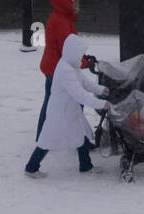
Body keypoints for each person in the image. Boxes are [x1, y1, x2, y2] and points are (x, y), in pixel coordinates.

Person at [25, 34, 108, 178]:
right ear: (72, 53)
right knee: (47, 140)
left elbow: (85, 83)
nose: (81, 57)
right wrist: (101, 104)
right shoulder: (65, 71)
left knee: (81, 135)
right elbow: (79, 94)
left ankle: (86, 166)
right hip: (60, 113)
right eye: (80, 54)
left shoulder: (71, 66)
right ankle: (31, 168)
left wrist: (101, 90)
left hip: (69, 111)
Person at [37, 0, 80, 141]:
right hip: (58, 69)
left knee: (50, 103)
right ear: (65, 2)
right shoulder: (62, 22)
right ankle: (79, 139)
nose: (75, 2)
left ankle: (42, 134)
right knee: (75, 104)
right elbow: (68, 50)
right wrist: (84, 62)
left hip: (50, 66)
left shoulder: (59, 16)